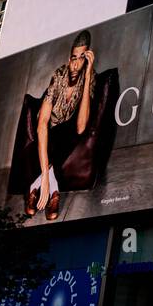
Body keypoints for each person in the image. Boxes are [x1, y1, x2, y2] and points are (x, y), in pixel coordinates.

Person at [25, 30, 99, 220]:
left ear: (87, 59)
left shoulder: (89, 77)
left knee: (72, 130)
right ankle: (53, 190)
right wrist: (47, 182)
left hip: (69, 131)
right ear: (69, 58)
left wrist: (89, 74)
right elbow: (42, 123)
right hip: (50, 128)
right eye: (73, 57)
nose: (76, 64)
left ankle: (34, 187)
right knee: (57, 134)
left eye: (82, 58)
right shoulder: (59, 75)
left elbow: (82, 125)